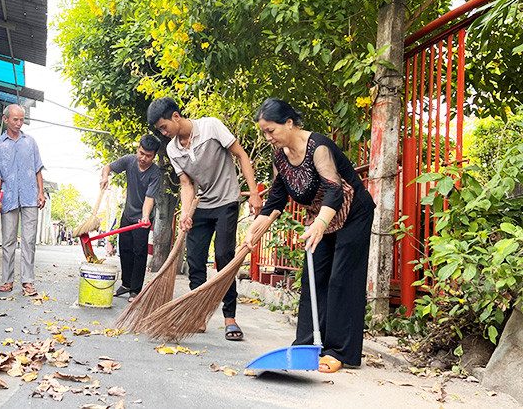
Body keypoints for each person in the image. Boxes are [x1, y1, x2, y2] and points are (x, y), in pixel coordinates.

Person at [244, 98, 375, 373]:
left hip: (352, 212)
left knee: (341, 279)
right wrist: (255, 229)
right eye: (264, 132)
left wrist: (319, 224)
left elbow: (335, 189)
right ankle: (307, 345)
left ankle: (338, 351)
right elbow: (276, 200)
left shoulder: (318, 147)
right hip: (321, 217)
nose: (268, 137)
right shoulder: (280, 157)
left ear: (289, 123)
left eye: (271, 130)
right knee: (313, 277)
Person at [147, 96, 262, 340]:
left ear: (176, 116)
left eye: (164, 127)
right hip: (201, 205)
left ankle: (230, 317)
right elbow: (186, 184)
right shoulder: (172, 149)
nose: (164, 133)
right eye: (159, 130)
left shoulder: (211, 126)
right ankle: (198, 316)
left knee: (224, 256)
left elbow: (241, 155)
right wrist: (186, 214)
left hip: (227, 200)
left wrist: (253, 193)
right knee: (196, 260)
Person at [0, 104, 46, 296]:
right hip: (8, 196)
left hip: (30, 196)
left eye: (22, 119)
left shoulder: (30, 142)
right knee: (8, 241)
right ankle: (7, 281)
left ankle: (28, 282)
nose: (19, 123)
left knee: (29, 240)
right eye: (15, 119)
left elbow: (38, 169)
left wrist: (41, 192)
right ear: (5, 119)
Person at [99, 134, 161, 302]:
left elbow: (149, 198)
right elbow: (108, 167)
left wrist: (145, 217)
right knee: (125, 249)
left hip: (142, 219)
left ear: (154, 156)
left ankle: (135, 290)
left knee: (139, 252)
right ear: (138, 149)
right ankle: (126, 284)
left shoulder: (155, 173)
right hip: (127, 214)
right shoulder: (129, 160)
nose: (143, 158)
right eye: (141, 153)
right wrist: (105, 177)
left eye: (148, 156)